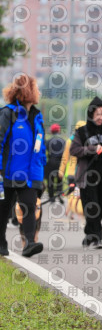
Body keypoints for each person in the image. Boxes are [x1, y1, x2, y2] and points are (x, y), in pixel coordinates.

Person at [0, 74, 46, 257]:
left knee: (29, 206)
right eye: (36, 88)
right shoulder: (8, 114)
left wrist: (40, 171)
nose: (39, 92)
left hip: (30, 174)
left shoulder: (37, 116)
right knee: (4, 209)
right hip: (8, 173)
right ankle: (1, 242)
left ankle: (29, 243)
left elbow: (41, 147)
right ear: (27, 91)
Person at [70, 97, 102, 250]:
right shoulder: (81, 131)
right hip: (87, 176)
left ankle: (89, 235)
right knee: (91, 207)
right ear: (91, 114)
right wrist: (92, 149)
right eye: (98, 114)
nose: (101, 117)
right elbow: (74, 150)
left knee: (100, 204)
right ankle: (96, 238)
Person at [44, 123, 65, 203]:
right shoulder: (63, 141)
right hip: (60, 162)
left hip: (51, 162)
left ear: (52, 131)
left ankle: (51, 197)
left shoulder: (49, 141)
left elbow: (45, 151)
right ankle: (59, 193)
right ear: (59, 131)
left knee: (50, 180)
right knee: (60, 179)